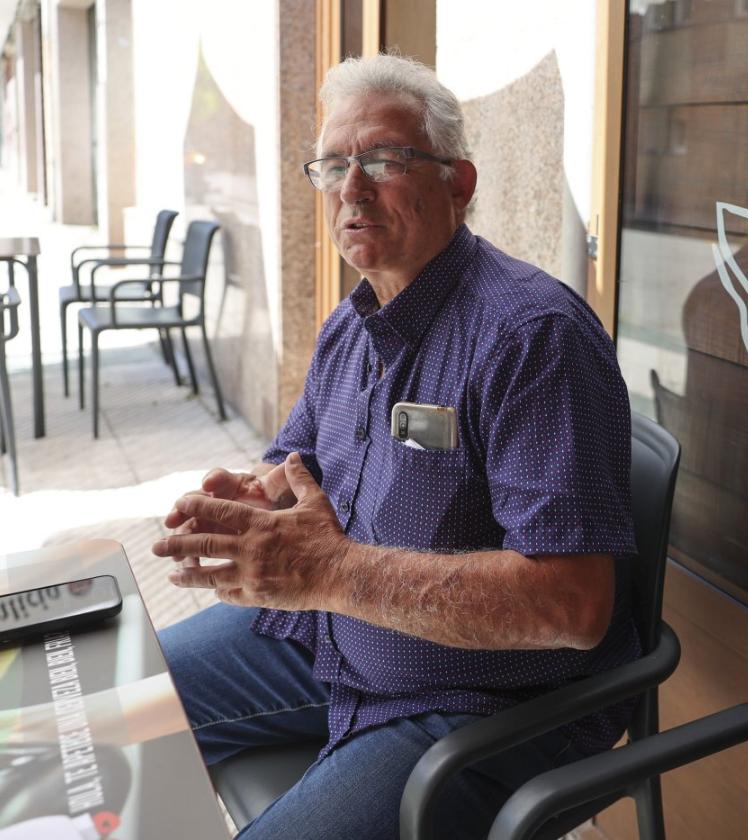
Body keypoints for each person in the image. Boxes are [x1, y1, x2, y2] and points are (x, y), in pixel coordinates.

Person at [153, 53, 638, 839]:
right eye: (334, 165)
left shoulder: (532, 339)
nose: (352, 187)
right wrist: (256, 502)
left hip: (483, 700)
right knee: (121, 710)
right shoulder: (353, 324)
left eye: (382, 158)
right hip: (335, 635)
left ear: (460, 182)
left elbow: (572, 605)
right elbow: (297, 465)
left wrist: (331, 570)